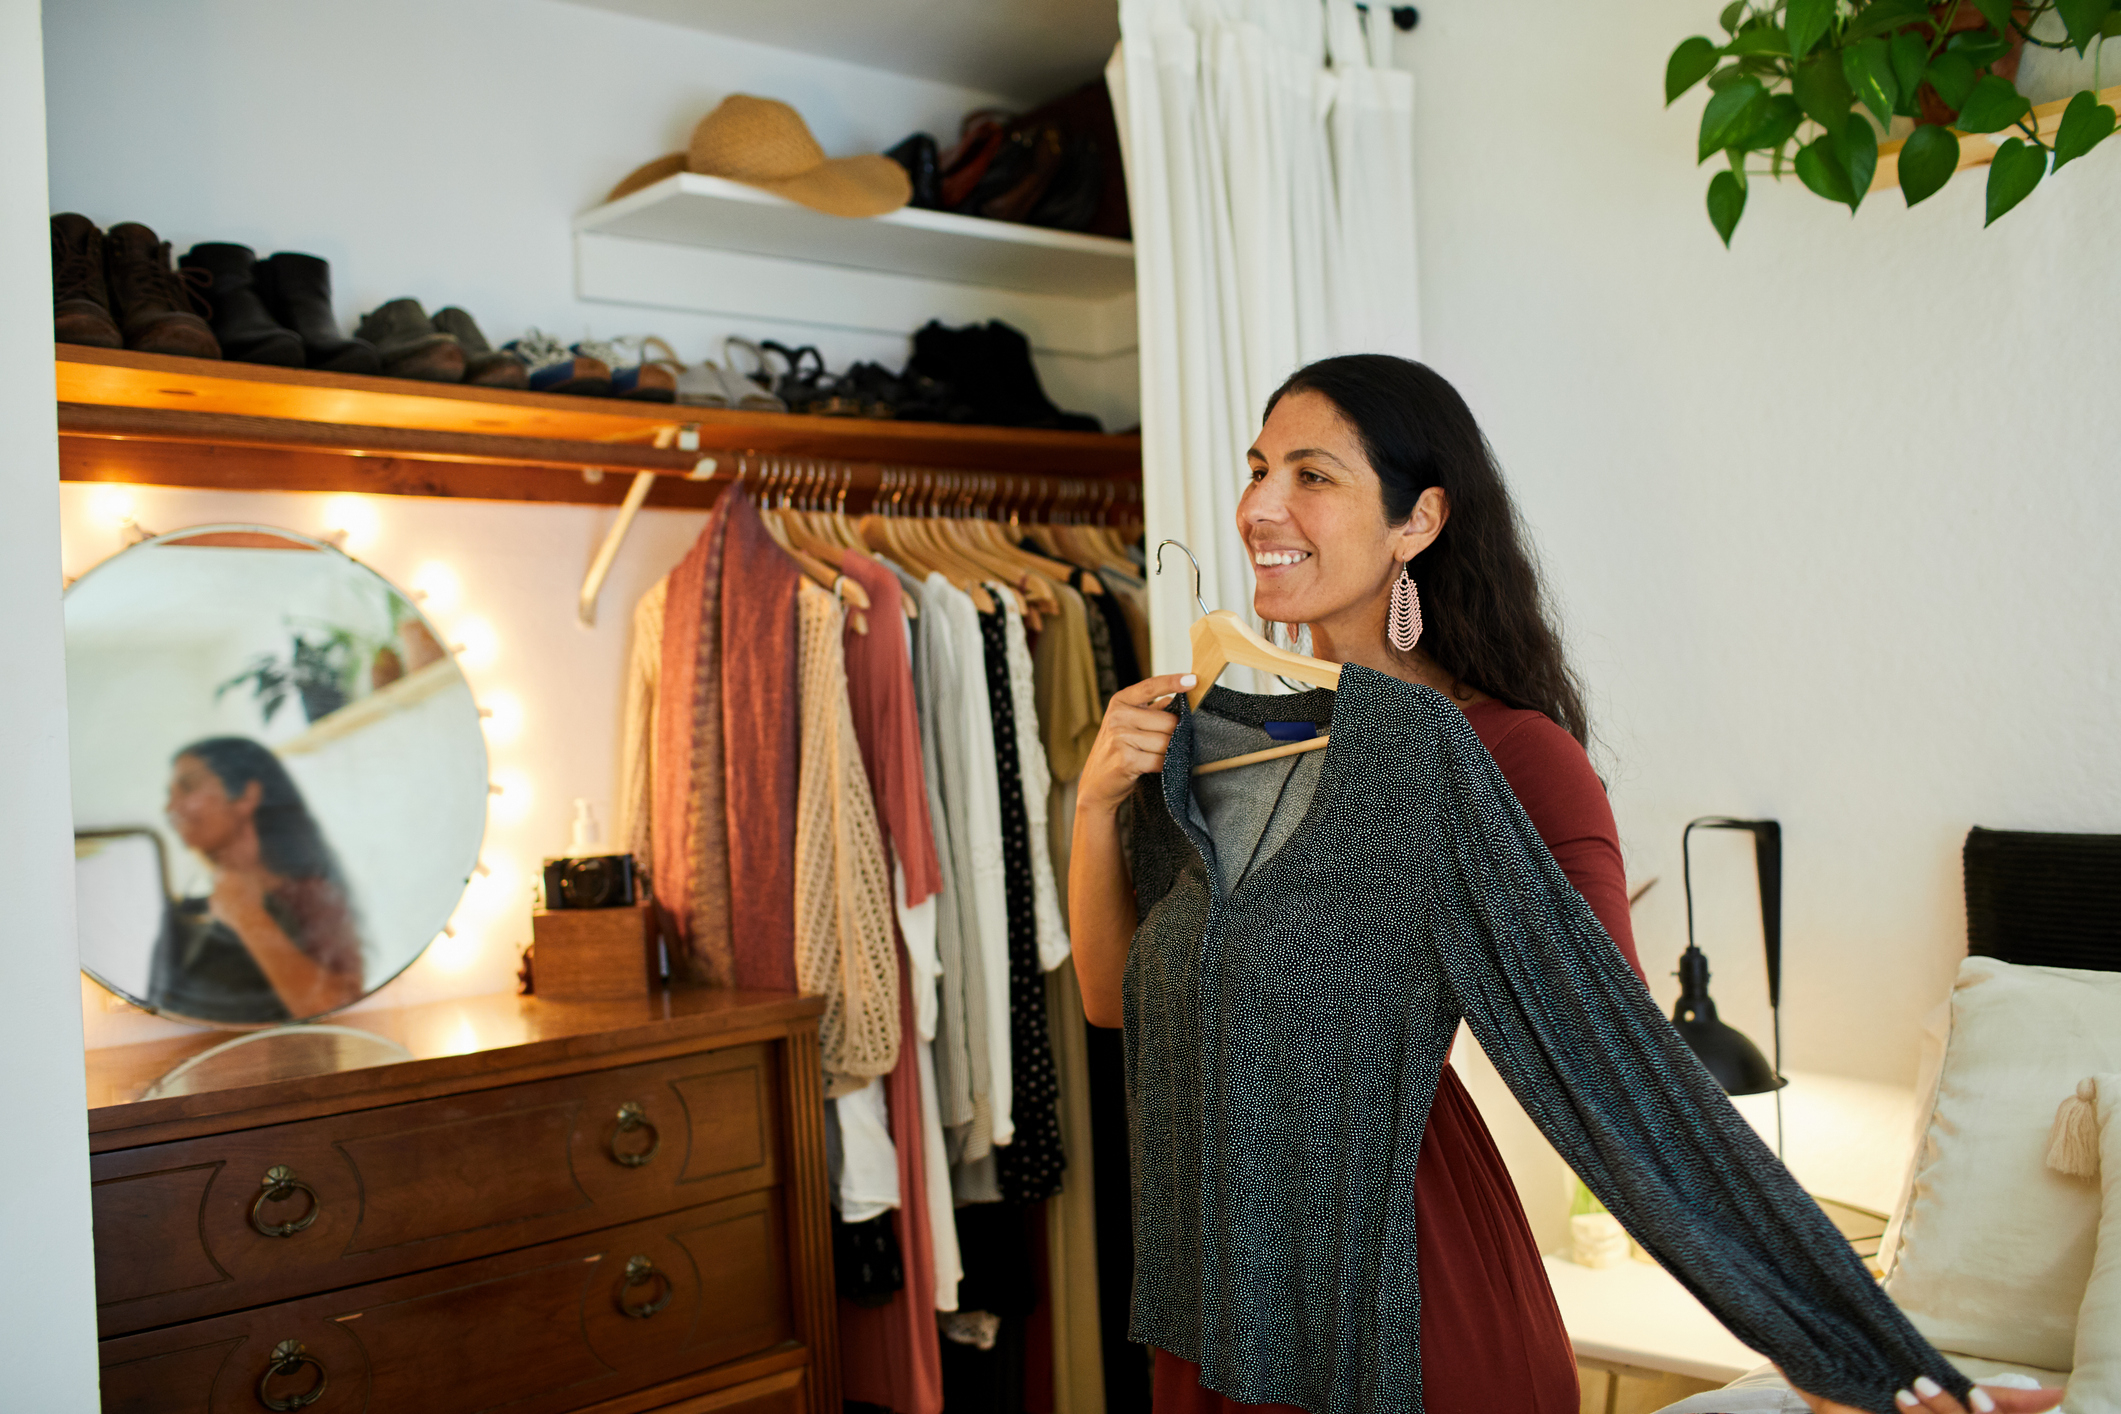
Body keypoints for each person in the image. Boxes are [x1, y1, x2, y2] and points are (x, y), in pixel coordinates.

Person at [1067, 355, 2059, 1414]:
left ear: (1419, 520)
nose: (1260, 504)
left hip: (1399, 1305)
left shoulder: (1506, 756)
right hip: (1219, 1316)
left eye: (1313, 475)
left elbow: (1619, 1076)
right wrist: (1093, 807)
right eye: (1258, 467)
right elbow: (1116, 999)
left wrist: (1855, 1361)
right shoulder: (1216, 747)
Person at [150, 736, 364, 1024]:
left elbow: (340, 1010)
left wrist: (248, 916)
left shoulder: (311, 896)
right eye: (170, 793)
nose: (170, 808)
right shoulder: (188, 909)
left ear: (246, 797)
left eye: (187, 788)